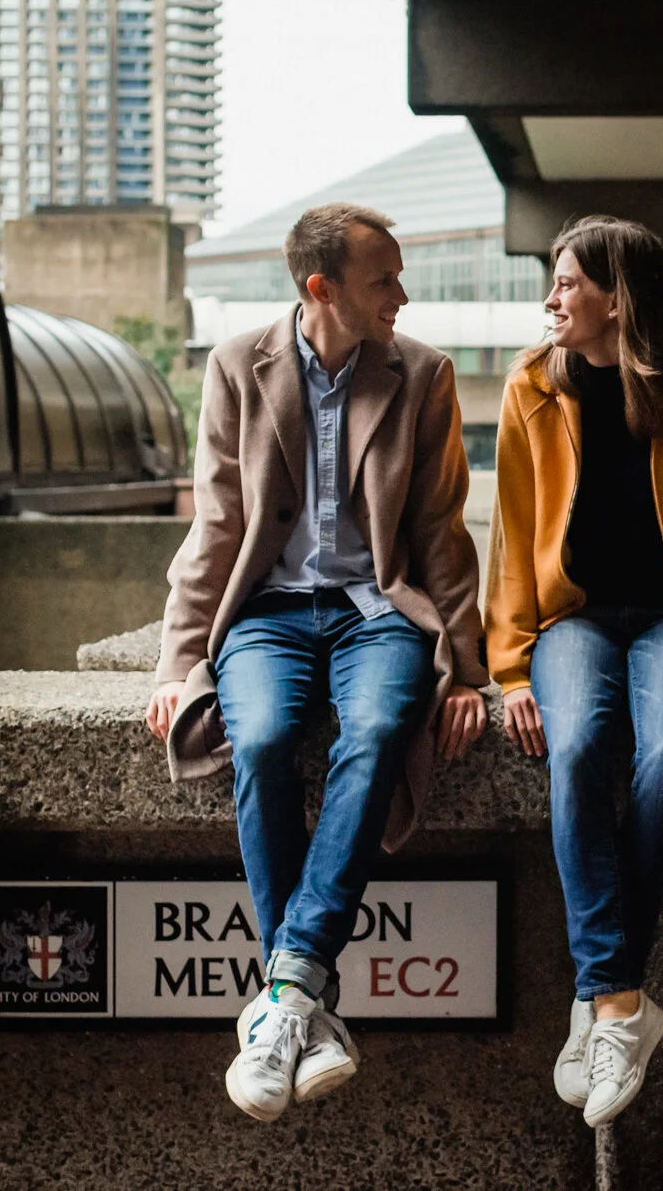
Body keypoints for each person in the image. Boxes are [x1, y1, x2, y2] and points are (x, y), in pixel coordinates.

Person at [146, 201, 488, 1123]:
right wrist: (180, 662)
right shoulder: (237, 366)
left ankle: (284, 999)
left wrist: (472, 669)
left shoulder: (421, 375)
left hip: (377, 611)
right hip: (267, 613)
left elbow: (438, 533)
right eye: (385, 280)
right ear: (321, 288)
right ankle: (303, 1000)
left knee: (378, 728)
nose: (402, 297)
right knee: (258, 738)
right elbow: (216, 525)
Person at [485, 215, 663, 1128]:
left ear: (619, 297)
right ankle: (620, 1004)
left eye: (568, 283)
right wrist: (509, 670)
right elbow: (508, 537)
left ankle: (605, 993)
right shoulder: (531, 387)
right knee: (574, 751)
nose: (552, 299)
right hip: (571, 620)